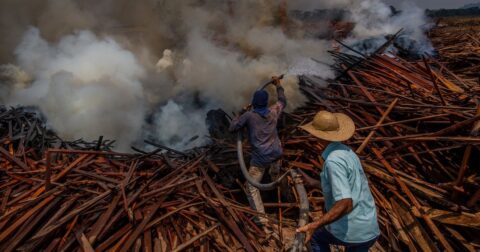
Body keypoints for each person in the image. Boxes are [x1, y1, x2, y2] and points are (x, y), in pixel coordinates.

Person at [296, 110, 380, 252]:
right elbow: (348, 187)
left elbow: (345, 203)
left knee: (316, 237)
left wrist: (314, 225)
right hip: (369, 229)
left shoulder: (333, 161)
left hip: (353, 232)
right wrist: (314, 183)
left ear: (318, 136)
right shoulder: (347, 152)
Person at [229, 76, 286, 231]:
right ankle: (281, 192)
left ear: (254, 102)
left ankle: (261, 220)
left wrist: (241, 111)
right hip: (276, 154)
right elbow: (282, 101)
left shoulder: (249, 116)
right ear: (266, 102)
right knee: (277, 178)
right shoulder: (274, 111)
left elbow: (232, 127)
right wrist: (278, 85)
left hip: (260, 159)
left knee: (252, 187)